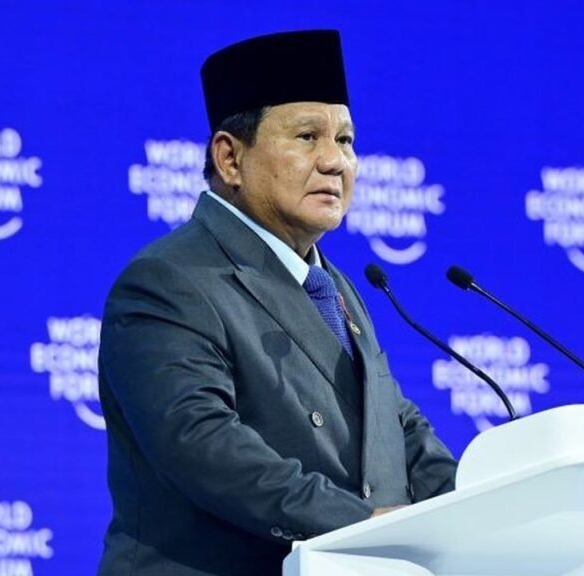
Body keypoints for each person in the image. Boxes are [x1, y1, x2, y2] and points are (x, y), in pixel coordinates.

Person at [96, 30, 457, 576]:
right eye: (307, 137)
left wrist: (475, 507)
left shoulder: (337, 287)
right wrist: (362, 523)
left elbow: (393, 424)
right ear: (229, 158)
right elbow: (203, 444)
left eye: (346, 140)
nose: (335, 161)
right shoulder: (167, 281)